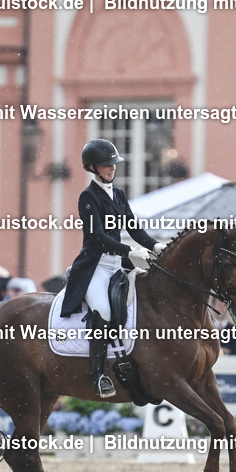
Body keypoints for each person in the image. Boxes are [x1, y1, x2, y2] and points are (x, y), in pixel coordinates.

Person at [60, 139, 165, 397]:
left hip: (117, 264)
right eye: (107, 165)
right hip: (95, 266)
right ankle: (99, 375)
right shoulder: (88, 197)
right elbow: (96, 236)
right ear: (93, 168)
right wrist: (128, 250)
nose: (112, 169)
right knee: (104, 310)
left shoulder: (117, 194)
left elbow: (132, 226)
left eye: (113, 164)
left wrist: (155, 245)